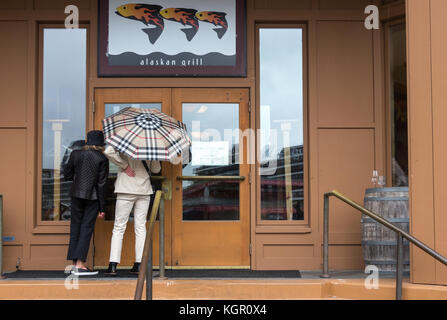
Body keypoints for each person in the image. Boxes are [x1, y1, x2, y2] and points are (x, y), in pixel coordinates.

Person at [104, 145, 161, 275]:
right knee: (140, 227)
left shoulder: (125, 142)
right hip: (143, 190)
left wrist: (125, 166)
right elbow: (156, 170)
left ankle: (113, 265)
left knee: (119, 227)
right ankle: (139, 264)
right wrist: (155, 156)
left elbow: (108, 151)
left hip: (125, 188)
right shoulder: (150, 144)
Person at [63, 130, 109, 276]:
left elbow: (67, 174)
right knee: (86, 228)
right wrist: (102, 208)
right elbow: (101, 185)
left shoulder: (75, 154)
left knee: (75, 227)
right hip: (92, 198)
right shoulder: (102, 158)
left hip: (76, 195)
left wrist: (76, 179)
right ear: (101, 144)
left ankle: (74, 263)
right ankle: (80, 265)